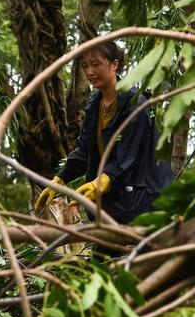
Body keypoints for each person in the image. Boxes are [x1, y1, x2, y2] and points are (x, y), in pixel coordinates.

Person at [34, 41, 173, 233]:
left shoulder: (136, 103)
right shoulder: (94, 105)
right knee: (102, 260)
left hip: (144, 201)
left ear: (114, 64)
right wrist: (60, 179)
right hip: (116, 204)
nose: (90, 72)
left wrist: (104, 181)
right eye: (85, 66)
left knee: (138, 259)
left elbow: (128, 155)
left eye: (95, 64)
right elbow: (84, 151)